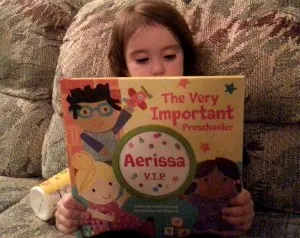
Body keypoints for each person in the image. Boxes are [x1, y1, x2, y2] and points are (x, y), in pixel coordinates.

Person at [55, 0, 255, 236]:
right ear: (124, 68)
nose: (158, 69)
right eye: (142, 60)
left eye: (170, 56)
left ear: (185, 58)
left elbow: (231, 180)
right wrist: (68, 210)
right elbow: (84, 178)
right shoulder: (104, 123)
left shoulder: (214, 111)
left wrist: (243, 207)